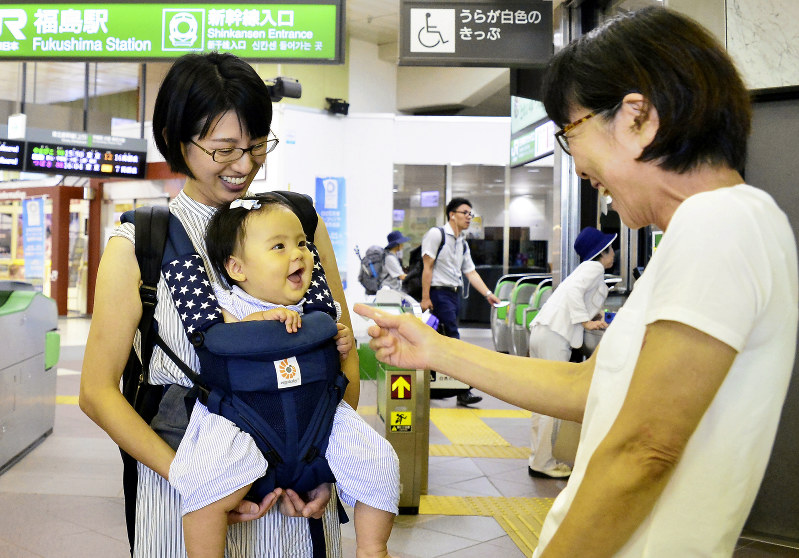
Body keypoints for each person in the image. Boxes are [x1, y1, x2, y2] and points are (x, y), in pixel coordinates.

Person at [354, 7, 798, 557]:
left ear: (638, 117)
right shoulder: (714, 228)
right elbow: (589, 389)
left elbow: (645, 449)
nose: (578, 160)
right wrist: (437, 350)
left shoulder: (720, 222)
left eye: (571, 130)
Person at [80, 52, 360, 557]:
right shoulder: (141, 241)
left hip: (295, 505)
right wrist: (198, 480)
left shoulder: (299, 226)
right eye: (224, 149)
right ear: (175, 139)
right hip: (184, 501)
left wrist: (324, 463)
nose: (245, 165)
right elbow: (97, 393)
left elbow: (341, 353)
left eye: (256, 146)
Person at [171, 194, 399, 558]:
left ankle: (373, 548)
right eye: (279, 246)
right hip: (240, 417)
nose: (298, 254)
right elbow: (220, 336)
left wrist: (339, 342)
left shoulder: (313, 309)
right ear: (237, 268)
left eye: (302, 244)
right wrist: (257, 323)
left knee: (378, 459)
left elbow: (336, 363)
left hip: (315, 417)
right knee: (206, 481)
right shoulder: (227, 304)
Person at [527, 227, 616, 480]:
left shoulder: (588, 272)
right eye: (611, 249)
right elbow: (575, 295)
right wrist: (586, 323)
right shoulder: (594, 268)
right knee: (549, 401)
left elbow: (575, 297)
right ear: (602, 252)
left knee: (541, 400)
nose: (614, 254)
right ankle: (542, 462)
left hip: (546, 333)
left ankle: (539, 458)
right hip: (555, 336)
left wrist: (593, 316)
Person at [420, 197, 501, 406]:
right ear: (452, 215)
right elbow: (427, 267)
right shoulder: (436, 235)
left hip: (454, 295)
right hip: (439, 294)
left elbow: (470, 272)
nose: (468, 217)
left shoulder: (462, 243)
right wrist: (426, 297)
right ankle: (463, 390)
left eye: (470, 214)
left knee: (441, 340)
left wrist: (488, 294)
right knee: (454, 340)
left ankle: (437, 386)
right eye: (465, 213)